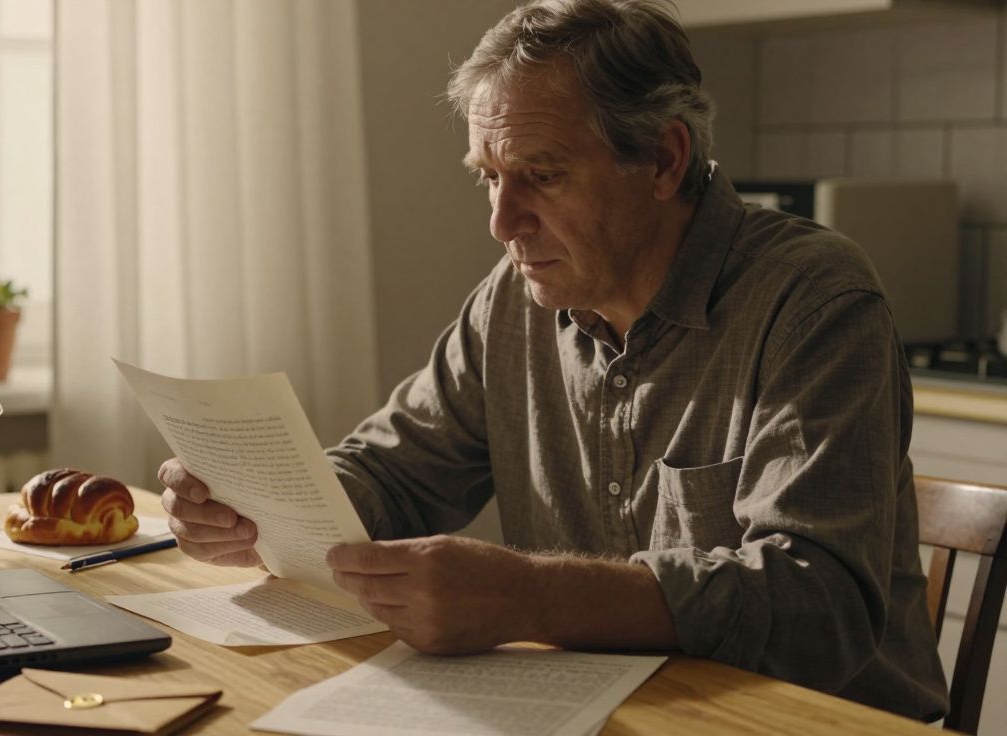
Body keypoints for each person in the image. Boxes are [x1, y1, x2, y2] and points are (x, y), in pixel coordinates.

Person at [156, 0, 948, 721]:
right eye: (489, 178)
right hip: (611, 712)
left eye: (541, 175)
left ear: (664, 160)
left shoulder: (812, 302)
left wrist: (531, 595)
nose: (503, 223)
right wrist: (261, 506)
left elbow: (818, 603)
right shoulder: (514, 301)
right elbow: (394, 477)